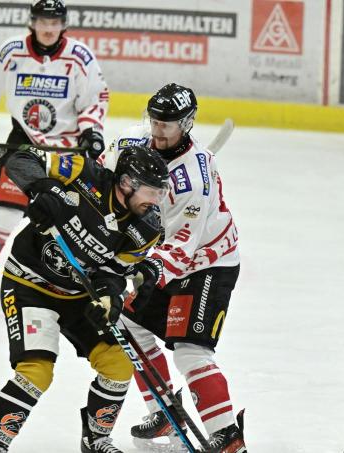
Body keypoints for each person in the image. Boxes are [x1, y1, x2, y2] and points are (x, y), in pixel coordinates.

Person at [0, 143, 168, 453]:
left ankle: (96, 439)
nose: (157, 199)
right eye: (151, 190)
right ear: (127, 183)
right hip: (29, 283)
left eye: (161, 191)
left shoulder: (145, 230)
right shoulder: (83, 173)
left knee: (119, 362)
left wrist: (108, 297)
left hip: (78, 296)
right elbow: (21, 158)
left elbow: (113, 273)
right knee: (37, 370)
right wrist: (44, 189)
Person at [99, 83, 245, 452]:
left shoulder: (192, 180)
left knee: (190, 351)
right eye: (156, 120)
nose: (159, 129)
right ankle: (164, 410)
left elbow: (182, 246)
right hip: (165, 257)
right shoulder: (136, 143)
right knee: (127, 324)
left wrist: (143, 273)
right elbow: (102, 177)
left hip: (207, 263)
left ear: (188, 123)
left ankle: (228, 436)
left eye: (169, 123)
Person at [0, 0, 108, 314]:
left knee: (70, 221)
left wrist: (91, 131)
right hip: (24, 146)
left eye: (55, 22)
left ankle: (65, 283)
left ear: (63, 24)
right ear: (32, 22)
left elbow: (95, 98)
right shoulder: (11, 51)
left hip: (67, 152)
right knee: (4, 216)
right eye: (43, 21)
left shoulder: (80, 57)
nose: (49, 28)